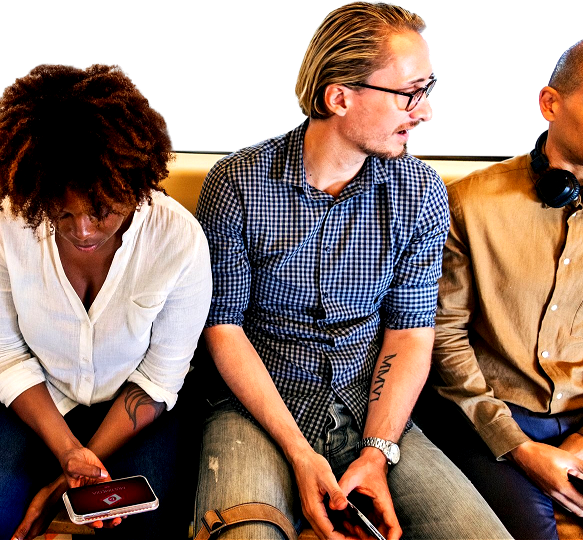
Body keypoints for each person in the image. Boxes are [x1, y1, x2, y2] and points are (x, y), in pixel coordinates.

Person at [192, 3, 512, 539]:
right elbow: (222, 327)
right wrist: (298, 451)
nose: (427, 111)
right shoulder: (237, 183)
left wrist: (378, 451)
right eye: (410, 93)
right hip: (256, 407)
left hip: (373, 407)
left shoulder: (420, 192)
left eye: (427, 89)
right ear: (339, 97)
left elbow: (409, 332)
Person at [0, 63, 212, 540]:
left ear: (134, 183)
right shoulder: (7, 224)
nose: (83, 230)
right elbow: (3, 353)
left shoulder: (179, 240)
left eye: (102, 210)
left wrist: (77, 470)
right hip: (38, 397)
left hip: (136, 411)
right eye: (61, 212)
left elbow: (161, 376)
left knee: (143, 533)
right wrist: (66, 451)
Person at [416, 37, 583, 540]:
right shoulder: (468, 203)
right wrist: (519, 446)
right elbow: (443, 341)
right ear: (549, 103)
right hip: (489, 418)